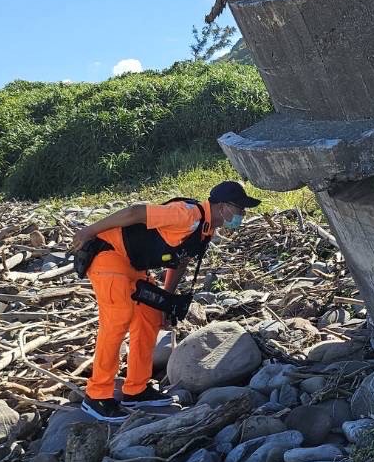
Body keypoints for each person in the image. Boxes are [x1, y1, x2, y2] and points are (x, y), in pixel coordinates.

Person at [70, 180, 261, 422]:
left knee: (149, 315)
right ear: (223, 206)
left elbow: (180, 261)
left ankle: (135, 389)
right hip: (108, 254)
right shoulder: (186, 215)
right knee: (118, 318)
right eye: (239, 209)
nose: (242, 215)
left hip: (132, 264)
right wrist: (90, 231)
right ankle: (97, 395)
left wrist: (165, 300)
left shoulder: (205, 230)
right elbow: (135, 212)